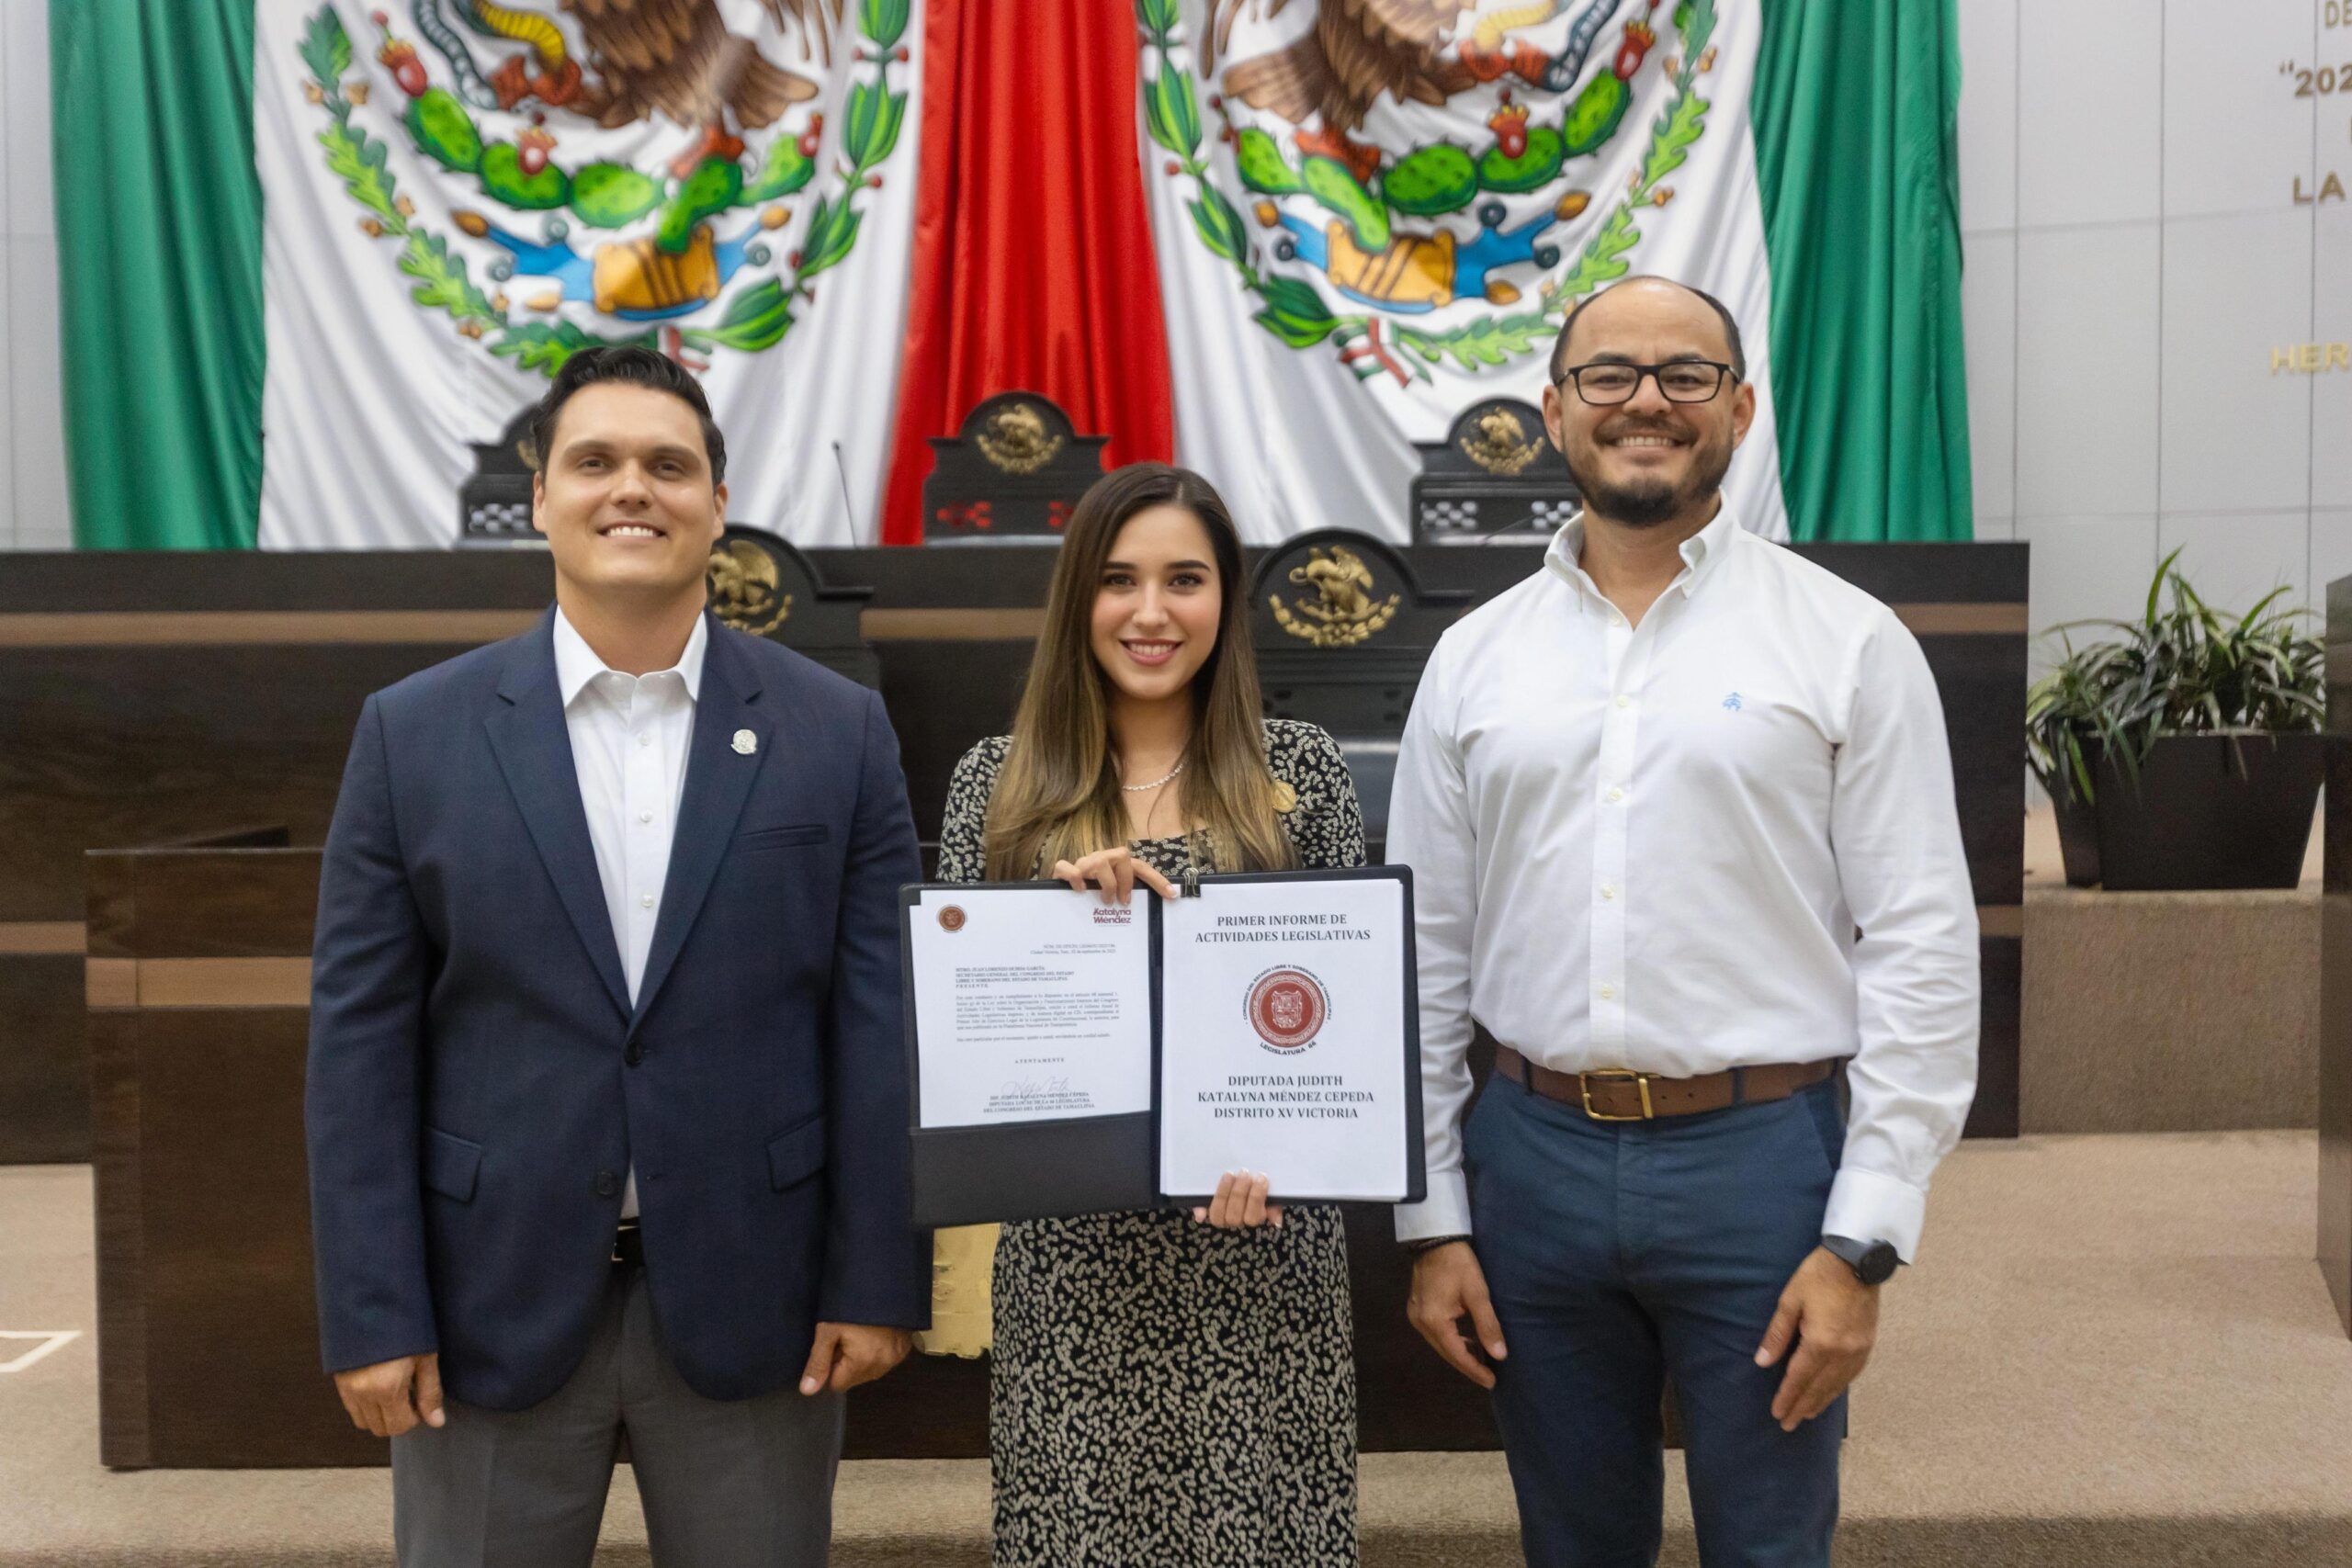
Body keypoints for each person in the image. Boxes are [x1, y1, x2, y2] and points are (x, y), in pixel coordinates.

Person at [305, 345, 928, 1568]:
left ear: (717, 502)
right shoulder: (412, 734)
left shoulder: (838, 730)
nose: (631, 486)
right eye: (594, 460)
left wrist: (878, 1274)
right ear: (540, 497)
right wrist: (373, 1307)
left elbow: (881, 1025)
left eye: (668, 463)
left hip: (763, 1298)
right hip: (486, 1307)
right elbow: (361, 1044)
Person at [1391, 276, 1980, 1567]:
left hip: (1764, 1166)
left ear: (1741, 408)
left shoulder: (1848, 641)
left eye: (1685, 374)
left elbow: (1924, 945)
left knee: (1771, 1544)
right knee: (1573, 1542)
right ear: (1554, 410)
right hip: (1529, 1162)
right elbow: (1425, 952)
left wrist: (1864, 1233)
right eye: (1608, 374)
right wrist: (1432, 1218)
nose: (1645, 400)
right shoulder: (1474, 658)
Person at [933, 461, 1366, 1566]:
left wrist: (1286, 1153)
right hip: (1072, 1274)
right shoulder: (997, 785)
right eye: (1119, 580)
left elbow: (1344, 1024)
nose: (1152, 612)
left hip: (1260, 1267)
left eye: (1186, 579)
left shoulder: (1303, 773)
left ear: (1226, 599)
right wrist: (1055, 925)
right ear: (1079, 597)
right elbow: (957, 1032)